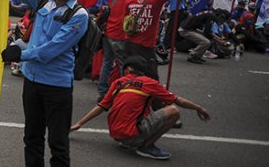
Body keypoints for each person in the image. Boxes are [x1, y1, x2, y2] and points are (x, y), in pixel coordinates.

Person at [4, 0, 88, 167]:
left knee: (58, 142)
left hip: (57, 86)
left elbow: (52, 49)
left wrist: (19, 53)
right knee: (31, 134)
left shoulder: (79, 16)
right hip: (32, 80)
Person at [71, 56, 210, 160]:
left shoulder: (118, 83)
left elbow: (100, 107)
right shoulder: (149, 82)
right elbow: (177, 100)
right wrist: (198, 108)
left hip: (115, 133)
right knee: (173, 110)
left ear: (128, 69)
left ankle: (127, 141)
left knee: (142, 104)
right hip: (130, 134)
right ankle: (146, 146)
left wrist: (79, 123)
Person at [123, 0, 189, 78]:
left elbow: (125, 21)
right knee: (152, 81)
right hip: (146, 49)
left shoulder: (129, 1)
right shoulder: (156, 0)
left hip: (129, 46)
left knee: (129, 78)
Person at [97, 0, 141, 101]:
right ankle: (122, 92)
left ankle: (102, 93)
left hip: (107, 33)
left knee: (107, 62)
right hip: (121, 35)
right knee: (123, 65)